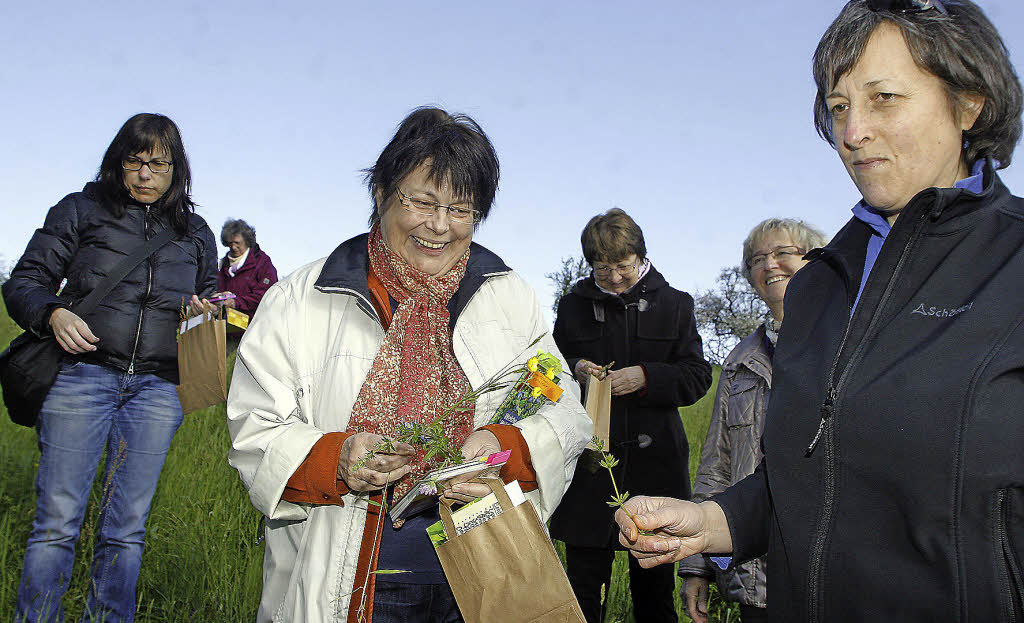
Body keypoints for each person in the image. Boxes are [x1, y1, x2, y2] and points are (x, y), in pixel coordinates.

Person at [614, 1, 1024, 620]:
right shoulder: (820, 286)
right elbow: (814, 473)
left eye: (883, 98)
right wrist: (711, 521)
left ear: (969, 104)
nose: (852, 131)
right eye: (838, 107)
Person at [226, 107, 592, 623]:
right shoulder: (301, 299)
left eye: (462, 209)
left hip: (485, 570)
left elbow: (563, 413)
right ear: (381, 193)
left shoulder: (509, 298)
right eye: (422, 201)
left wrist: (500, 449)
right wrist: (337, 459)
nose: (440, 226)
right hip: (349, 572)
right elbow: (253, 429)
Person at [4, 113, 218, 623]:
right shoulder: (80, 210)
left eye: (159, 164)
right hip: (82, 377)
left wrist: (206, 312)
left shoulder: (195, 231)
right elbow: (23, 282)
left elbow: (211, 297)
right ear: (118, 162)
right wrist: (52, 313)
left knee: (126, 530)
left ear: (176, 169)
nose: (146, 175)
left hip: (158, 391)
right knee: (57, 523)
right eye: (135, 162)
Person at [548, 208, 712, 623]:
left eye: (623, 266)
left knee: (655, 596)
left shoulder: (676, 305)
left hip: (656, 471)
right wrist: (576, 370)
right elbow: (548, 368)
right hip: (588, 474)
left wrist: (646, 376)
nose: (615, 277)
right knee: (583, 592)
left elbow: (697, 377)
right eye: (603, 269)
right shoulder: (571, 308)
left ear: (641, 257)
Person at [677, 218, 826, 623]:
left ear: (815, 261)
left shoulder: (846, 340)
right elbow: (716, 466)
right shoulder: (740, 361)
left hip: (831, 577)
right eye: (758, 259)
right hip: (756, 579)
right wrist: (696, 565)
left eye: (783, 253)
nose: (770, 265)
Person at [215, 218, 278, 318]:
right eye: (229, 243)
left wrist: (236, 302)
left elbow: (267, 295)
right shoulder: (222, 265)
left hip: (254, 326)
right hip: (226, 326)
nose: (233, 247)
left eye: (237, 243)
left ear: (247, 241)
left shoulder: (262, 263)